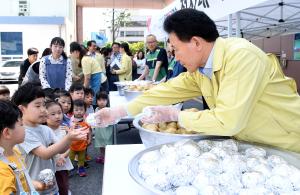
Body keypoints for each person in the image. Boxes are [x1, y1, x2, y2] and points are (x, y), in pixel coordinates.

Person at [93, 9, 300, 153]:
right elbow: (165, 91)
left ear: (196, 43)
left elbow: (228, 121)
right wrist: (118, 112)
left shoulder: (241, 56)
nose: (173, 55)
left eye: (175, 48)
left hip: (287, 145)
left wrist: (176, 115)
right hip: (255, 145)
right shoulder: (201, 70)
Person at [11, 83, 88, 195]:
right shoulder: (23, 132)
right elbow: (45, 154)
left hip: (52, 186)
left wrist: (71, 138)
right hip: (33, 189)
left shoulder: (45, 129)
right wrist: (68, 138)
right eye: (38, 106)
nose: (43, 110)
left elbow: (61, 149)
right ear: (22, 109)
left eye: (43, 105)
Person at [0, 100, 51, 194]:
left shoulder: (14, 151)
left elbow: (20, 179)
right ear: (7, 133)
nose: (25, 128)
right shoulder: (2, 172)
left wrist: (36, 185)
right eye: (21, 125)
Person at [46, 101, 73, 195]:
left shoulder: (64, 129)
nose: (57, 116)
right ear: (45, 116)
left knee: (63, 184)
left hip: (62, 165)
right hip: (48, 165)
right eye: (53, 114)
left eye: (59, 113)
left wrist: (63, 156)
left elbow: (69, 147)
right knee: (50, 187)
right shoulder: (44, 131)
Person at [69, 100, 91, 177]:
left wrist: (89, 139)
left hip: (82, 145)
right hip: (72, 145)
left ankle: (80, 168)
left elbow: (89, 131)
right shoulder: (70, 121)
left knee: (81, 158)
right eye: (76, 110)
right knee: (70, 158)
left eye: (81, 110)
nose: (79, 112)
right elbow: (67, 133)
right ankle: (68, 169)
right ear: (73, 110)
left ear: (85, 110)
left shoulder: (86, 121)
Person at [94, 92, 113, 164]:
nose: (101, 102)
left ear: (107, 101)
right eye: (99, 100)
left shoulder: (109, 110)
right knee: (100, 145)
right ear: (96, 101)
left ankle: (107, 157)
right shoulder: (96, 109)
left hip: (106, 131)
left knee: (106, 145)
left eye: (104, 100)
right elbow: (95, 118)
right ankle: (102, 156)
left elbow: (111, 120)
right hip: (99, 131)